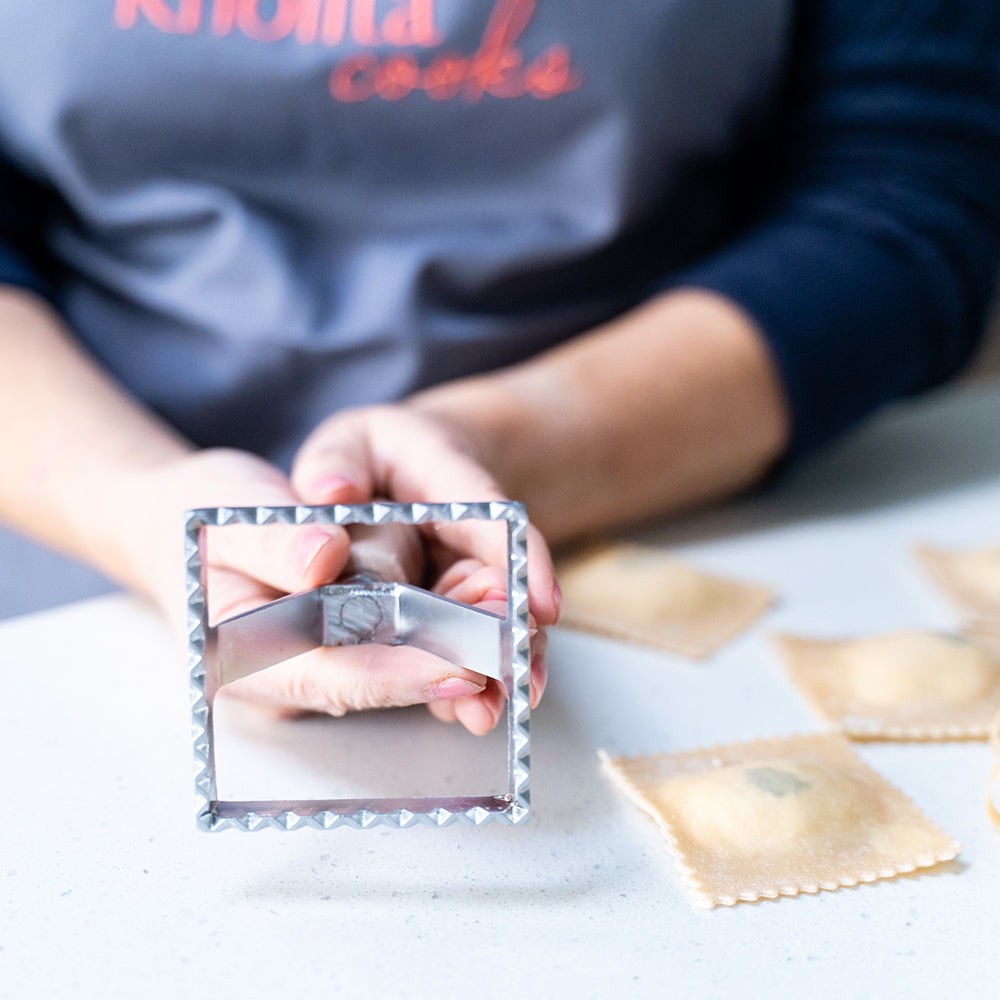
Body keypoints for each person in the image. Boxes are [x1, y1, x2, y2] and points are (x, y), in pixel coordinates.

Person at [1, 0, 998, 733]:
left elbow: (910, 192)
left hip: (673, 500)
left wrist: (497, 447)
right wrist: (130, 504)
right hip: (65, 540)